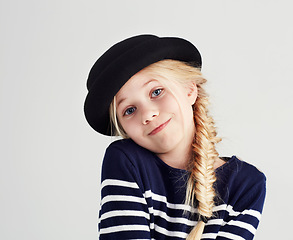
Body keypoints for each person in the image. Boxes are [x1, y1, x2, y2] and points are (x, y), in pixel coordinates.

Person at [84, 34, 266, 240]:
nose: (147, 114)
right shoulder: (126, 162)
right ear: (124, 130)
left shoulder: (246, 184)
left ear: (190, 89)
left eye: (157, 92)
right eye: (129, 110)